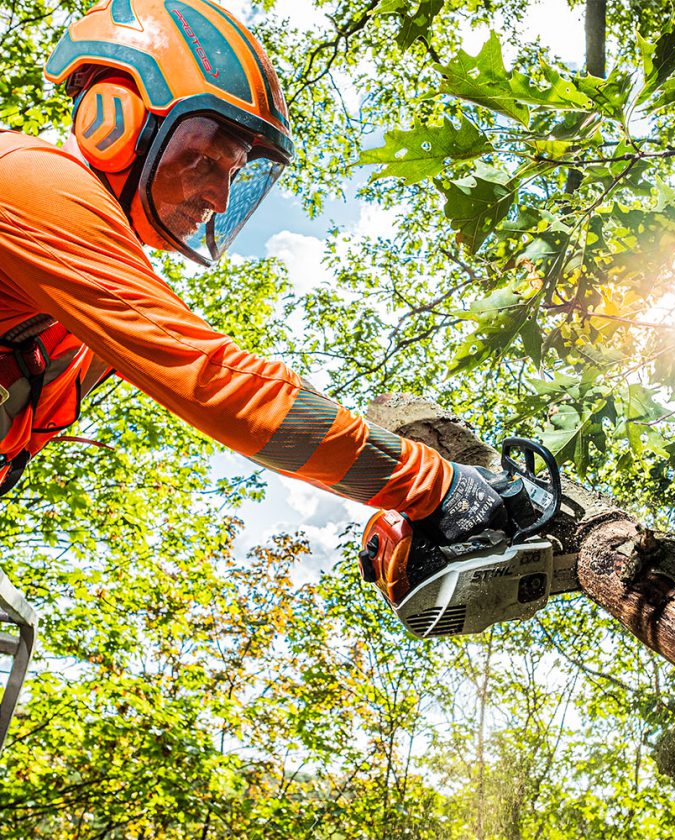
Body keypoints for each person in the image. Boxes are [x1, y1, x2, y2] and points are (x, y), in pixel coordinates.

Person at [0, 0, 506, 596]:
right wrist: (432, 485)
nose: (218, 197)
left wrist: (388, 477)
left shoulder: (82, 316)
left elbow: (254, 393)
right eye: (207, 158)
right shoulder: (30, 183)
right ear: (113, 117)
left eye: (233, 173)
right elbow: (214, 381)